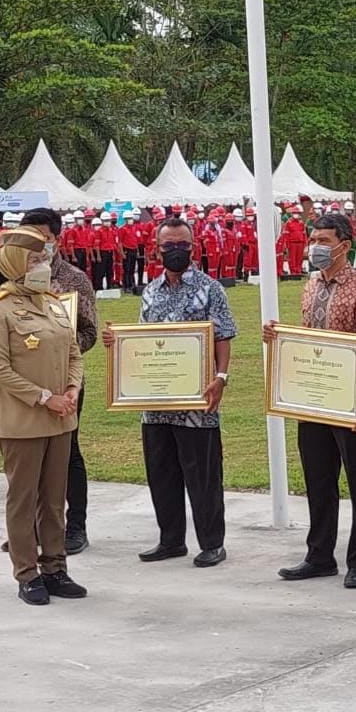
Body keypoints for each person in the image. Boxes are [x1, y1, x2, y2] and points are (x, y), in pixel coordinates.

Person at [102, 217, 237, 567]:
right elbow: (143, 343)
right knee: (161, 473)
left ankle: (212, 543)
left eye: (183, 245)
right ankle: (171, 540)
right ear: (157, 249)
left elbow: (223, 337)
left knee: (203, 476)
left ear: (193, 247)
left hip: (198, 400)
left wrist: (221, 377)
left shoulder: (210, 288)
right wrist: (117, 345)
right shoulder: (150, 290)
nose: (176, 251)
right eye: (169, 246)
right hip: (155, 402)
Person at [263, 213, 356, 588]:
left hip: (351, 402)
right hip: (313, 400)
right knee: (318, 479)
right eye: (312, 238)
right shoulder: (310, 286)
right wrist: (279, 337)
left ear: (344, 246)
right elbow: (307, 339)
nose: (315, 246)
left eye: (323, 240)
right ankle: (319, 555)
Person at [0, 226, 86, 605]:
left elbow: (73, 353)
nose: (43, 265)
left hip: (61, 417)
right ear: (15, 264)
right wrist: (45, 398)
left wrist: (72, 390)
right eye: (35, 259)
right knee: (23, 500)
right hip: (22, 421)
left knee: (54, 499)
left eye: (44, 258)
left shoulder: (54, 303)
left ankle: (55, 567)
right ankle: (27, 574)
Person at [21, 208, 99, 555]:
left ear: (57, 238)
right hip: (27, 385)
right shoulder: (17, 277)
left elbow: (89, 332)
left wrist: (57, 352)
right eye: (29, 238)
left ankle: (75, 527)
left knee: (68, 454)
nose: (37, 245)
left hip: (66, 382)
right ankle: (36, 528)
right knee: (31, 453)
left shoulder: (74, 280)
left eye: (43, 238)